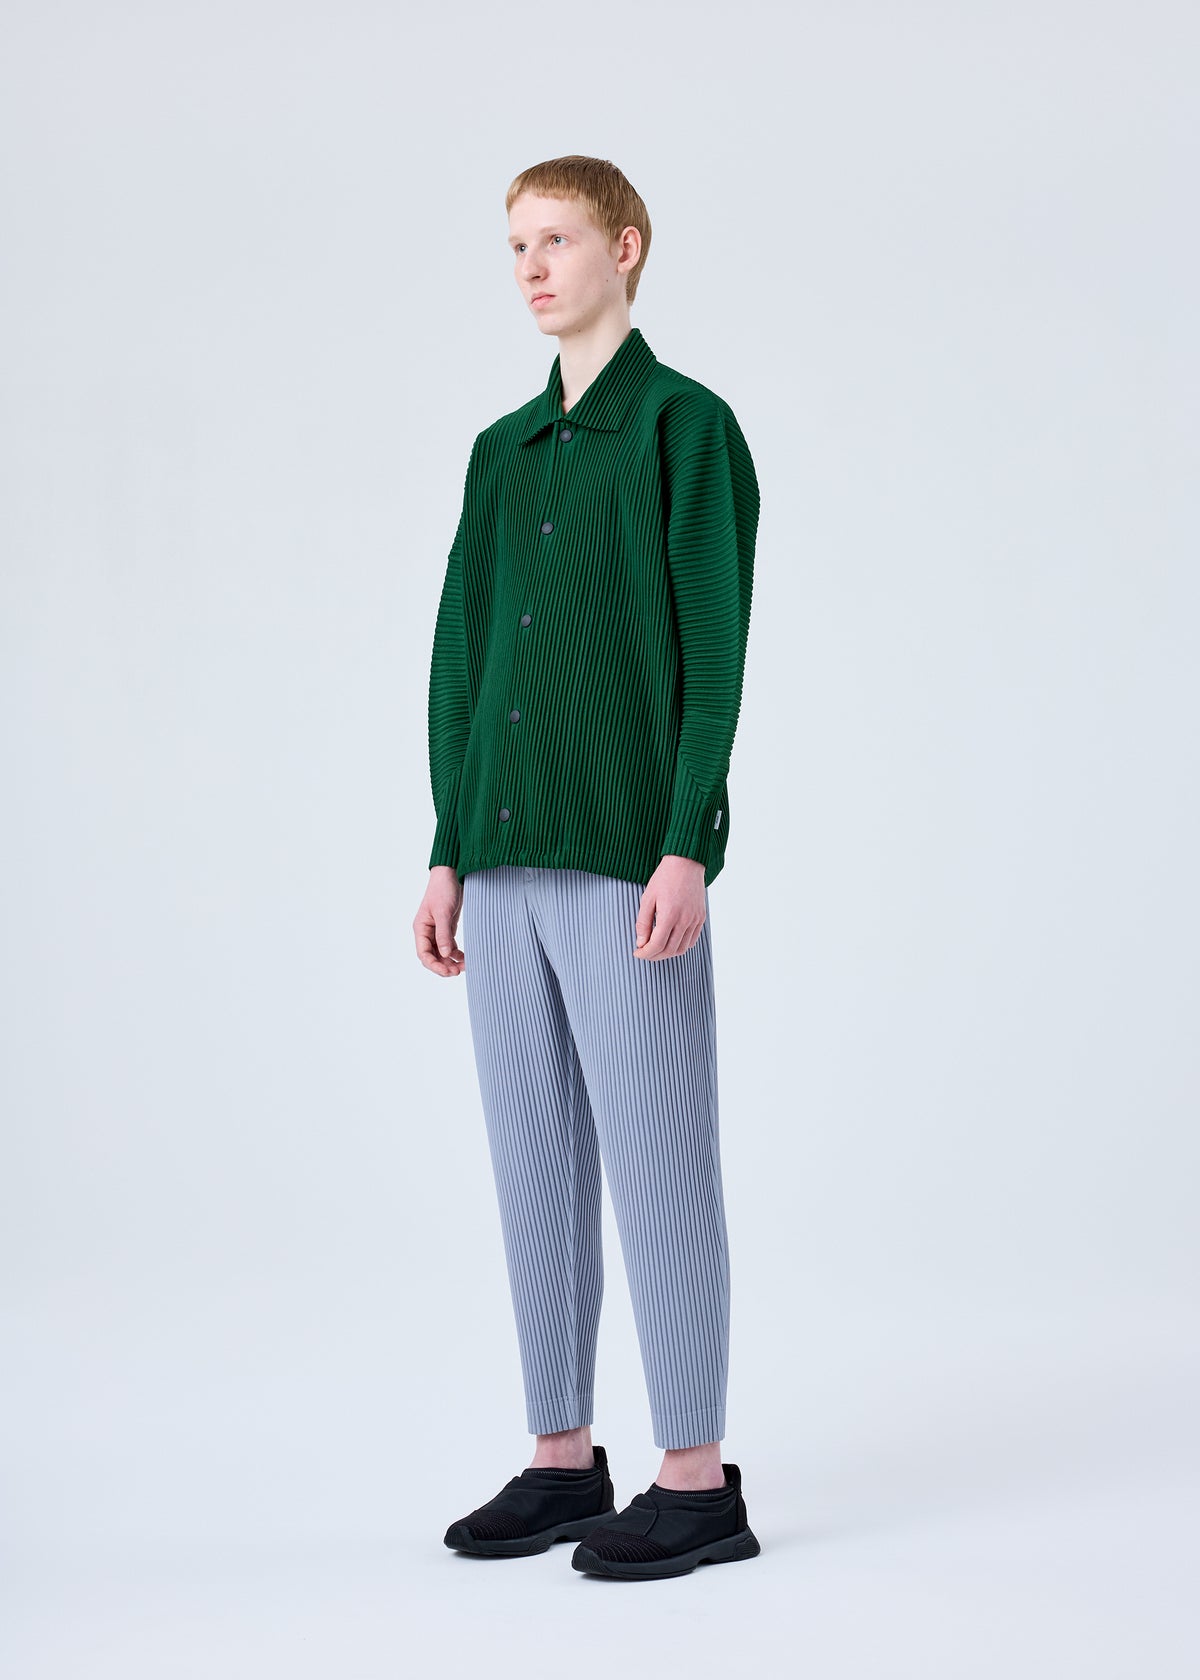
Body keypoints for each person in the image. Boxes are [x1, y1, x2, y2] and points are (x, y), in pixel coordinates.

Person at [413, 154, 761, 1581]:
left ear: (627, 246)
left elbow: (714, 652)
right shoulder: (502, 453)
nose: (533, 268)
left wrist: (688, 839)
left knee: (662, 1161)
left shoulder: (686, 428)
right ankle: (563, 1458)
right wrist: (447, 847)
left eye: (556, 239)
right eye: (515, 246)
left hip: (626, 858)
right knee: (534, 1164)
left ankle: (696, 1480)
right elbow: (461, 652)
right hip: (498, 861)